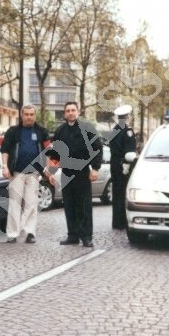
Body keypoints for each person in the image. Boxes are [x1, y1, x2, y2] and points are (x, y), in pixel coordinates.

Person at [47, 101, 103, 248]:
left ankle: (86, 236)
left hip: (82, 173)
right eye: (68, 111)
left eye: (73, 110)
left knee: (83, 206)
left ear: (78, 112)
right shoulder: (60, 131)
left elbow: (97, 148)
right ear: (64, 114)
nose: (70, 113)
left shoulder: (87, 129)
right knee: (69, 205)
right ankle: (72, 235)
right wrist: (51, 172)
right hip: (66, 173)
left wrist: (95, 168)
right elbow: (54, 153)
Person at [0, 104, 51, 244]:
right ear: (21, 116)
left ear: (35, 115)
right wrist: (5, 167)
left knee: (31, 204)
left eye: (31, 114)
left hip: (34, 174)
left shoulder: (42, 132)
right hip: (16, 173)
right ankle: (12, 233)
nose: (29, 117)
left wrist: (46, 169)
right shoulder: (13, 131)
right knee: (14, 204)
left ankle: (30, 232)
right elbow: (5, 150)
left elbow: (48, 150)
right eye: (26, 114)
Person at [109, 105, 137, 229]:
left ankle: (116, 222)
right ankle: (123, 222)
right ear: (127, 117)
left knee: (116, 193)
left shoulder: (114, 130)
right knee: (124, 193)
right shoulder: (128, 131)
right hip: (124, 165)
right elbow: (130, 152)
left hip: (114, 164)